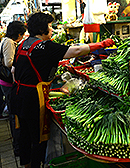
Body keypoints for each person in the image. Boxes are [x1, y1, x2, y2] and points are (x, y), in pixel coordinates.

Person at [10, 11, 114, 168]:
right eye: (50, 26)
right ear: (42, 29)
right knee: (38, 136)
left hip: (17, 94)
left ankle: (27, 165)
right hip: (33, 98)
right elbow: (76, 51)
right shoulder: (45, 46)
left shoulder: (23, 44)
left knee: (24, 134)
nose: (52, 30)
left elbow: (14, 70)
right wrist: (101, 45)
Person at [0, 21, 26, 156]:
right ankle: (18, 148)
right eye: (22, 34)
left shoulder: (6, 40)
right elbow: (9, 62)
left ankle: (18, 146)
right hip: (9, 83)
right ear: (18, 33)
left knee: (13, 114)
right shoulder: (9, 42)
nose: (22, 37)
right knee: (14, 115)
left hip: (5, 83)